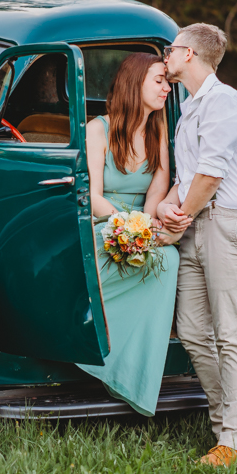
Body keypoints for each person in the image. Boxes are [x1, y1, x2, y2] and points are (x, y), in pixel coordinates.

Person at [157, 23, 237, 467]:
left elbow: (211, 175)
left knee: (232, 336)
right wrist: (167, 205)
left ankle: (234, 444)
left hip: (229, 225)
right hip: (199, 223)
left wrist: (178, 223)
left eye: (170, 50)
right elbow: (187, 178)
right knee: (195, 331)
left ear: (188, 54)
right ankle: (236, 426)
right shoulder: (189, 107)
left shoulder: (224, 101)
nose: (165, 56)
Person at [76, 52, 181, 415]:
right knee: (104, 253)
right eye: (159, 80)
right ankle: (92, 348)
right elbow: (91, 196)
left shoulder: (158, 128)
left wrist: (145, 223)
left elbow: (158, 184)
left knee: (167, 258)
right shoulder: (97, 129)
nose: (167, 88)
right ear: (135, 83)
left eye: (167, 81)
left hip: (142, 221)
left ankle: (134, 372)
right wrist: (124, 223)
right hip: (104, 219)